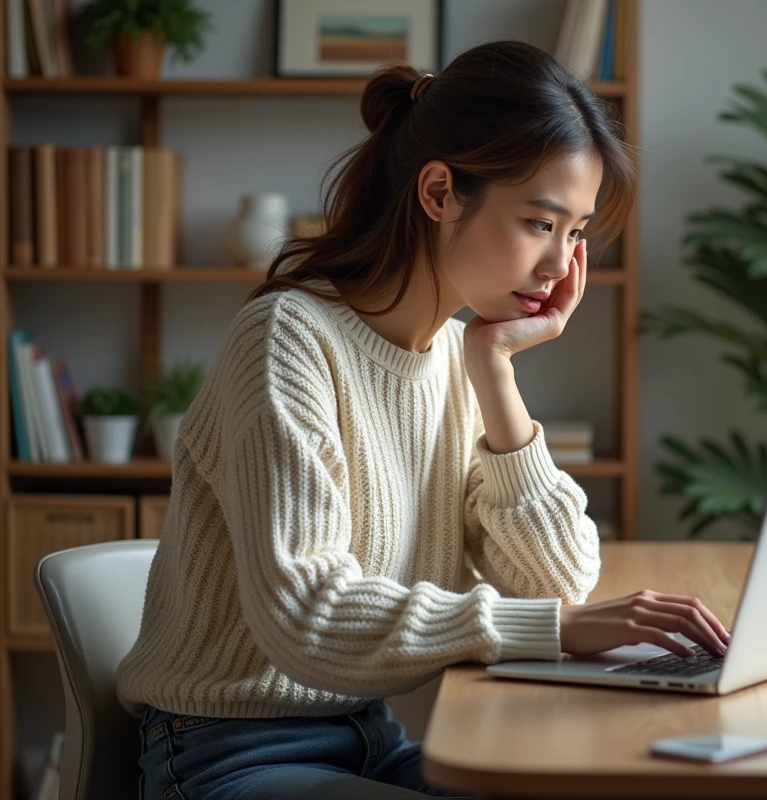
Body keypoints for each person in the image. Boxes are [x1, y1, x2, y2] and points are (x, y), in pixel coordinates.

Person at [115, 40, 730, 800]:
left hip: (372, 736)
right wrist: (553, 631)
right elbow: (307, 615)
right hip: (227, 755)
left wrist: (497, 374)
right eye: (540, 222)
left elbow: (557, 579)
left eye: (576, 233)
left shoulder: (452, 354)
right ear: (439, 191)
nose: (560, 266)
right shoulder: (287, 339)